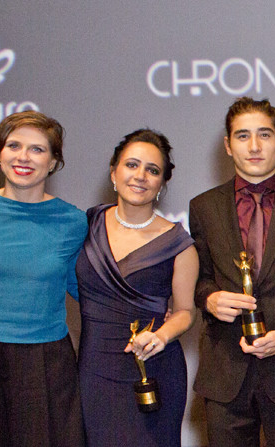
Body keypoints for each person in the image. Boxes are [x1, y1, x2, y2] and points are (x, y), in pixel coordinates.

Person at [189, 97, 275, 446]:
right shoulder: (203, 206)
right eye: (243, 136)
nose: (255, 146)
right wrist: (210, 298)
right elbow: (198, 280)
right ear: (228, 146)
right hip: (225, 372)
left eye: (265, 134)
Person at [0, 111, 87, 446]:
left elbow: (89, 293)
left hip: (43, 362)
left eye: (37, 149)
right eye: (14, 145)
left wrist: (151, 314)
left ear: (53, 162)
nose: (23, 156)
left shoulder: (72, 221)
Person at [76, 129, 197, 446]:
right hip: (94, 371)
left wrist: (161, 335)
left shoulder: (179, 244)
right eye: (131, 165)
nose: (140, 176)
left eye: (152, 170)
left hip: (154, 370)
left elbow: (185, 312)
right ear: (113, 171)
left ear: (162, 183)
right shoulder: (86, 225)